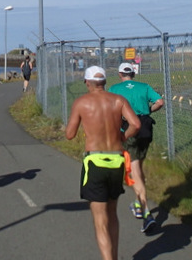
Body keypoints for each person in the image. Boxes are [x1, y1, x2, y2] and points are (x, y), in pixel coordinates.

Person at [66, 66, 140, 260]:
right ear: (105, 82)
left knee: (100, 220)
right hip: (116, 160)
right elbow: (136, 124)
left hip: (95, 161)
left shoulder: (82, 102)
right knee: (112, 213)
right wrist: (123, 136)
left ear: (87, 82)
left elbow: (69, 134)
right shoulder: (118, 100)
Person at [108, 62, 164, 232]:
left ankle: (146, 213)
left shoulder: (114, 89)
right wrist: (148, 110)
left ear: (120, 74)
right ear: (133, 73)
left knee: (134, 170)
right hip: (146, 129)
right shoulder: (144, 86)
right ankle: (139, 204)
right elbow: (160, 102)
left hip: (128, 130)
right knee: (138, 166)